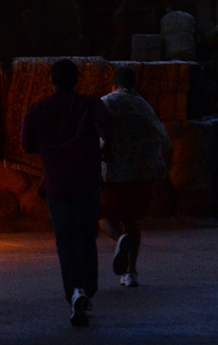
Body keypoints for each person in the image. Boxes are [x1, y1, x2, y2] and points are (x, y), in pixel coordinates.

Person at [22, 59, 114, 327]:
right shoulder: (89, 103)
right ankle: (87, 289)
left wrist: (53, 150)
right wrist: (105, 146)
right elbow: (110, 121)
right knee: (86, 235)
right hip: (87, 181)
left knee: (64, 239)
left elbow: (28, 145)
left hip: (57, 183)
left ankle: (74, 292)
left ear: (52, 81)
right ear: (76, 80)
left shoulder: (38, 109)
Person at [99, 65, 171, 288]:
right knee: (131, 220)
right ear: (135, 85)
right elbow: (165, 140)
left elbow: (96, 132)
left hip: (114, 173)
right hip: (143, 174)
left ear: (114, 84)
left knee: (104, 216)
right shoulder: (145, 106)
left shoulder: (107, 102)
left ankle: (120, 239)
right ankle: (131, 273)